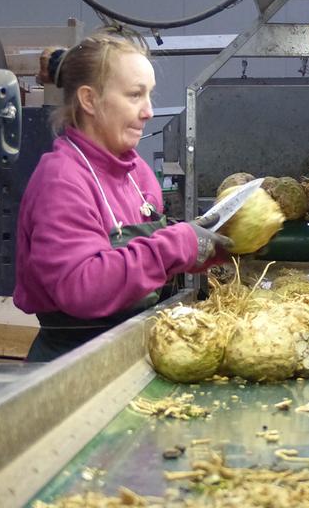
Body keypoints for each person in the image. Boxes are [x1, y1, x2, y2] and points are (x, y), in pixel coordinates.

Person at [14, 33, 233, 362]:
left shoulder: (138, 174)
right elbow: (81, 287)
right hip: (74, 366)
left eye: (149, 95)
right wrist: (176, 245)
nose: (148, 112)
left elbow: (143, 260)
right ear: (89, 100)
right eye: (135, 95)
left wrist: (209, 245)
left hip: (136, 350)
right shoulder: (62, 181)